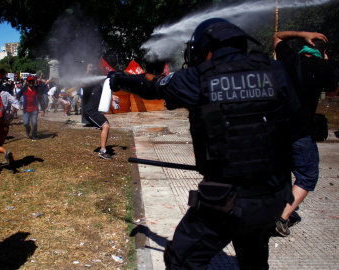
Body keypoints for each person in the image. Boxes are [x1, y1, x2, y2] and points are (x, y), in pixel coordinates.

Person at [107, 18, 301, 269]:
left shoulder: (200, 77)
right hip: (273, 195)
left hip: (227, 201)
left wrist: (121, 79)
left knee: (181, 258)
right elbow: (296, 125)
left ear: (205, 47)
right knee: (253, 259)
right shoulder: (275, 70)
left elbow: (152, 87)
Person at [273, 30, 337, 236]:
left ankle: (268, 208)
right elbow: (332, 92)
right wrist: (327, 63)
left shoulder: (289, 58)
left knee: (279, 172)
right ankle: (282, 217)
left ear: (306, 45)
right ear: (323, 52)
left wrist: (302, 33)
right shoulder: (324, 66)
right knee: (307, 176)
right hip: (300, 132)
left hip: (275, 129)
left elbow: (278, 37)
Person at [82, 65, 113, 160]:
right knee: (105, 126)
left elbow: (106, 95)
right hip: (89, 111)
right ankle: (102, 151)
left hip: (94, 111)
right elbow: (82, 83)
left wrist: (114, 98)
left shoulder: (100, 87)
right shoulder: (89, 86)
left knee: (106, 127)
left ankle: (103, 149)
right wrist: (87, 71)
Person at [16, 75, 46, 141]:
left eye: (32, 81)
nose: (31, 83)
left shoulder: (37, 89)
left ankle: (34, 136)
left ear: (34, 82)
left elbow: (41, 100)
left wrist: (43, 109)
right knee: (25, 123)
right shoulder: (25, 88)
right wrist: (16, 104)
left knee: (34, 123)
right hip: (26, 109)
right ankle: (28, 130)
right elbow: (18, 95)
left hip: (34, 109)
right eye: (30, 81)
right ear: (27, 82)